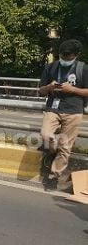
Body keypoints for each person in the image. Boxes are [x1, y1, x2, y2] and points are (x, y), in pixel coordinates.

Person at [39, 39, 88, 190]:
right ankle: (51, 152)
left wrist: (71, 90)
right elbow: (41, 91)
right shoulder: (51, 67)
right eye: (63, 56)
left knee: (65, 147)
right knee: (46, 135)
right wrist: (49, 86)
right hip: (53, 109)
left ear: (76, 55)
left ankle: (54, 176)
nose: (65, 59)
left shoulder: (83, 69)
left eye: (69, 57)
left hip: (73, 111)